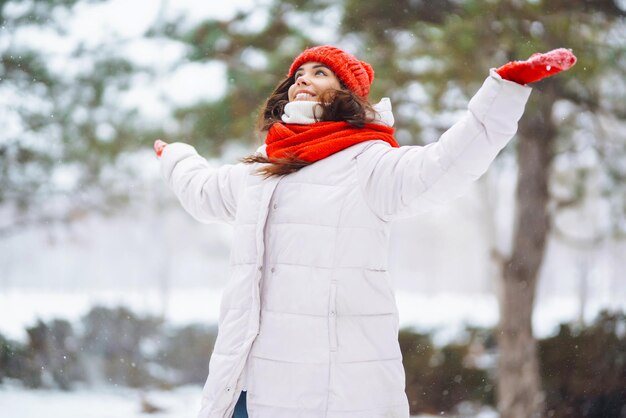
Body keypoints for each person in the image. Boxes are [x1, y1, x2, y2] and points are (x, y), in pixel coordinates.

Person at [154, 45, 576, 418]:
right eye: (298, 75)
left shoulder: (368, 163)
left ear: (347, 93)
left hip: (326, 392)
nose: (303, 80)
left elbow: (445, 165)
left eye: (320, 73)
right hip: (244, 385)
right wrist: (176, 157)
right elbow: (205, 193)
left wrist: (504, 91)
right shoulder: (260, 168)